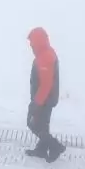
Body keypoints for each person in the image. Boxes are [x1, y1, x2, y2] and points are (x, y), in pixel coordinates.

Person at [25, 27, 66, 162]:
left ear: (38, 42)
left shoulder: (45, 57)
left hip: (44, 99)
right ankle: (41, 150)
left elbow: (46, 85)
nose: (30, 45)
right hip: (46, 98)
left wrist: (36, 103)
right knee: (43, 125)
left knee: (33, 124)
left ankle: (56, 146)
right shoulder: (45, 52)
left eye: (32, 42)